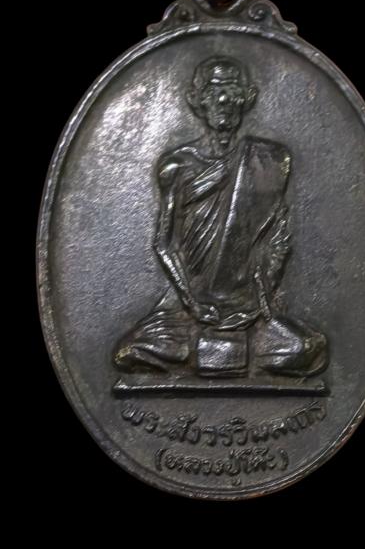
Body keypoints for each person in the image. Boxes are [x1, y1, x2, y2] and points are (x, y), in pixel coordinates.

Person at [114, 56, 328, 378]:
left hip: (252, 306)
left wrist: (258, 300)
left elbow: (278, 240)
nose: (224, 100)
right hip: (190, 305)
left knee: (308, 348)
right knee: (130, 351)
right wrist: (192, 303)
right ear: (197, 101)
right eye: (215, 92)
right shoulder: (177, 166)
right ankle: (210, 349)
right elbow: (163, 244)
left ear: (247, 98)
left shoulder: (268, 161)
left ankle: (238, 347)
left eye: (232, 90)